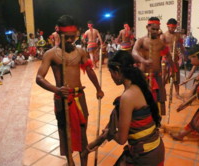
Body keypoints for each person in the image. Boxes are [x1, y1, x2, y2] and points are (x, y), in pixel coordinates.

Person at [36, 15, 104, 166]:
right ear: (59, 34)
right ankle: (70, 161)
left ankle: (84, 163)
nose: (69, 41)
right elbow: (39, 78)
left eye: (72, 37)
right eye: (66, 37)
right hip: (62, 99)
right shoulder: (51, 54)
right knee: (65, 132)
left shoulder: (80, 52)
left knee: (82, 131)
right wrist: (57, 90)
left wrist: (98, 88)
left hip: (79, 97)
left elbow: (90, 70)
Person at [83, 50, 165, 166]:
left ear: (117, 72)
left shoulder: (127, 97)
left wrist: (109, 133)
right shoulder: (140, 85)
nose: (111, 76)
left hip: (146, 155)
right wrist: (92, 145)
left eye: (110, 72)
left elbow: (121, 139)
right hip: (155, 148)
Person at [132, 17, 172, 116]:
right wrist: (143, 60)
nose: (155, 31)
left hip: (157, 74)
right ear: (147, 27)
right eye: (153, 29)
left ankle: (158, 123)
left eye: (157, 29)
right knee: (143, 99)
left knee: (161, 99)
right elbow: (134, 52)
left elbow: (168, 56)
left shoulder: (161, 42)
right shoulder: (141, 40)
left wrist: (172, 68)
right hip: (144, 75)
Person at [160, 18, 185, 99]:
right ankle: (162, 92)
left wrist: (184, 54)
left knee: (176, 77)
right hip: (166, 59)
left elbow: (181, 46)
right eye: (171, 27)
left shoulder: (177, 35)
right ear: (168, 26)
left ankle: (177, 93)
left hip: (175, 59)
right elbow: (160, 48)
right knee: (164, 77)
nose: (172, 29)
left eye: (174, 28)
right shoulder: (163, 36)